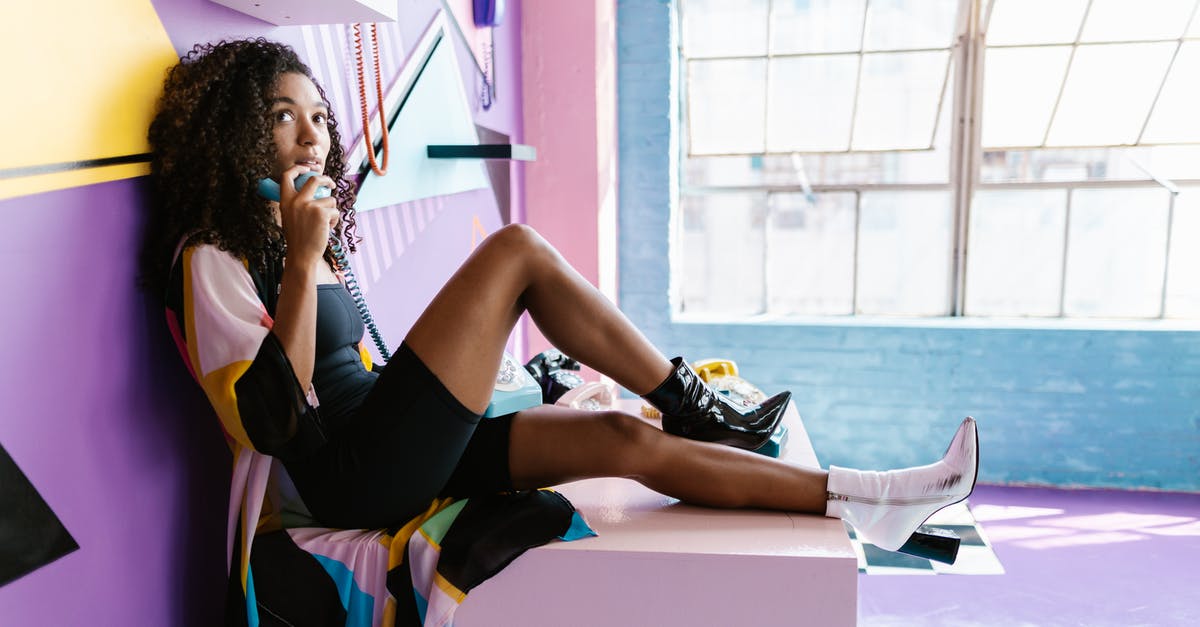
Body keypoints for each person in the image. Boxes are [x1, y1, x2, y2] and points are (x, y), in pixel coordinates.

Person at [141, 38, 978, 590]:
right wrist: (296, 258)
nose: (310, 136)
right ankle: (701, 407)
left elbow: (365, 368)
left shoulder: (311, 236)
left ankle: (868, 496)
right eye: (281, 117)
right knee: (518, 253)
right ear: (234, 136)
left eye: (319, 117)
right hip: (348, 480)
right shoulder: (213, 255)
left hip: (386, 441)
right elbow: (267, 419)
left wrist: (489, 386)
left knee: (616, 436)